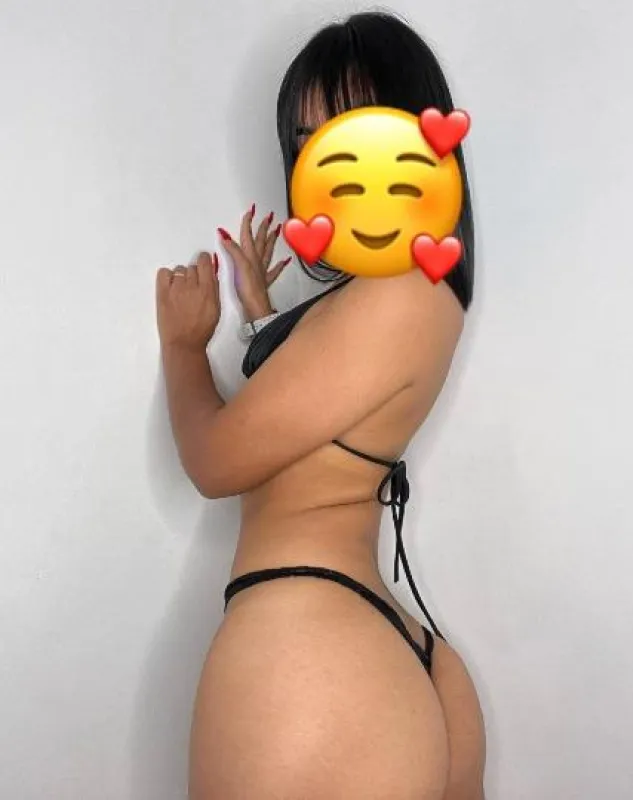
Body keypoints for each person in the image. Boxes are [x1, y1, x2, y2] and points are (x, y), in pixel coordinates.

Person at [186, 11, 487, 800]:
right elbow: (320, 409)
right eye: (307, 139)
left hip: (310, 642)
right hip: (365, 640)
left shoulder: (396, 294)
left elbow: (214, 463)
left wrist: (183, 348)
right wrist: (263, 317)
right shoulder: (396, 292)